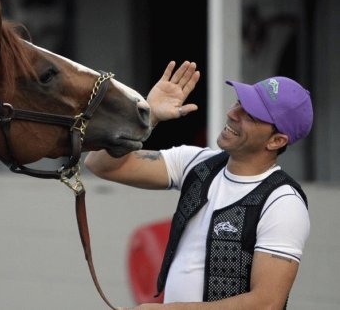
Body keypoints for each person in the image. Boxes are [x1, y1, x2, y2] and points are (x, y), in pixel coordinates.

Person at [85, 61, 313, 310]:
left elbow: (266, 304)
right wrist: (146, 118)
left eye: (250, 115)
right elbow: (100, 164)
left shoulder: (283, 202)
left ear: (276, 140)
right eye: (239, 102)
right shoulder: (196, 162)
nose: (232, 113)